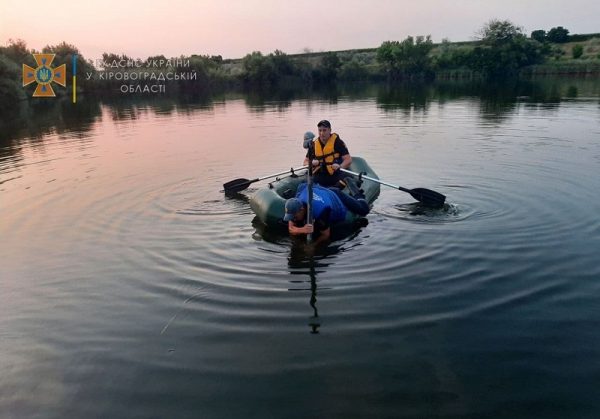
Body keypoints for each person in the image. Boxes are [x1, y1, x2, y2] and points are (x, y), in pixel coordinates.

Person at [283, 182, 369, 245]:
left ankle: (357, 193)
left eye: (294, 216)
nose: (292, 218)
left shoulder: (321, 211)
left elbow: (325, 234)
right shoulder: (296, 201)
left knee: (364, 210)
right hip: (322, 191)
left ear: (301, 209)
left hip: (335, 195)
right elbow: (291, 227)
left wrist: (313, 245)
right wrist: (302, 230)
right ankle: (339, 184)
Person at [303, 120, 352, 188]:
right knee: (305, 183)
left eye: (324, 130)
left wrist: (340, 166)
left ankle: (334, 191)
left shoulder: (338, 142)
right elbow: (305, 162)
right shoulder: (314, 144)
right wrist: (311, 163)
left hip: (334, 174)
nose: (322, 133)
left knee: (347, 179)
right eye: (320, 130)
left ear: (330, 130)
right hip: (320, 174)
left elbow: (348, 160)